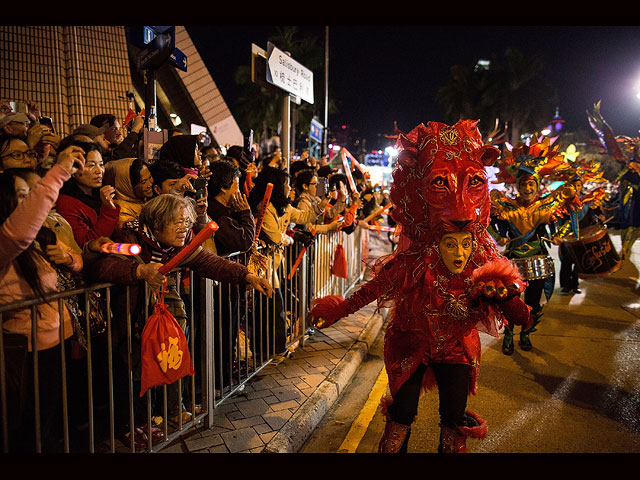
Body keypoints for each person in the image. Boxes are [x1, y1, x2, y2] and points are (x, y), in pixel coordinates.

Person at [309, 120, 534, 453]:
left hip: (457, 350)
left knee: (453, 420)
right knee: (401, 414)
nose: (459, 252)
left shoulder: (481, 261)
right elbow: (376, 286)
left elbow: (514, 310)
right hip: (410, 343)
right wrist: (341, 308)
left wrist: (513, 304)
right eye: (450, 245)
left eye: (464, 245)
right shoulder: (417, 258)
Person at [84, 194, 272, 447]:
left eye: (187, 222)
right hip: (128, 319)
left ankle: (169, 411)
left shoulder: (178, 246)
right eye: (178, 222)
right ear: (157, 222)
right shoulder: (128, 239)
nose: (185, 228)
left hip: (160, 316)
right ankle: (134, 423)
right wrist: (138, 271)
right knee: (133, 369)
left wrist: (248, 277)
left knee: (170, 358)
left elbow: (208, 262)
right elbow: (100, 267)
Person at [0, 143, 86, 452]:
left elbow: (76, 264)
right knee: (26, 432)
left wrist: (70, 259)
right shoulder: (7, 244)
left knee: (47, 425)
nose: (34, 205)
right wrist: (58, 172)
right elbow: (17, 233)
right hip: (24, 353)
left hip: (57, 344)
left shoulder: (42, 237)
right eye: (24, 197)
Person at [490, 137, 576, 355]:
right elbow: (488, 223)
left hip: (537, 260)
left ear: (538, 186)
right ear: (517, 186)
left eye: (531, 184)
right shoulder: (506, 207)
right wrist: (498, 237)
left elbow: (566, 219)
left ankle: (526, 335)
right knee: (510, 301)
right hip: (512, 261)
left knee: (533, 303)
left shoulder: (546, 207)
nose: (528, 188)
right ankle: (508, 335)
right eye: (524, 184)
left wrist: (558, 236)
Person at [248, 166, 327, 358]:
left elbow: (302, 216)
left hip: (274, 267)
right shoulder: (264, 208)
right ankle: (271, 349)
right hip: (262, 267)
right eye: (286, 184)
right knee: (272, 309)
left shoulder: (283, 206)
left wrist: (321, 205)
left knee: (275, 309)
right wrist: (289, 239)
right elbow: (275, 237)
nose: (290, 188)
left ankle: (271, 349)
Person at [205, 159, 256, 392]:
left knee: (228, 331)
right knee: (222, 333)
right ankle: (220, 382)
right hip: (220, 286)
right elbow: (244, 240)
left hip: (228, 283)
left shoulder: (224, 210)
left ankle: (224, 379)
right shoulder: (216, 213)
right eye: (236, 184)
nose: (239, 190)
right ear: (225, 187)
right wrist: (245, 213)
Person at [54, 136, 120, 248]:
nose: (99, 171)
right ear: (73, 169)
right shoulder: (66, 203)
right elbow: (86, 243)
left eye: (101, 164)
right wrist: (108, 211)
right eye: (92, 165)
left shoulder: (98, 195)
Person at [103, 157, 154, 229]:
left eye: (150, 177)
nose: (150, 184)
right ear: (128, 185)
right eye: (143, 182)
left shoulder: (142, 199)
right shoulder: (121, 210)